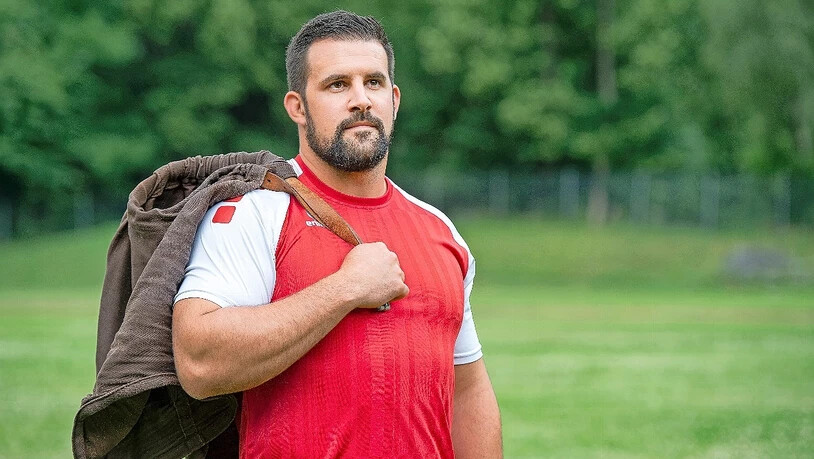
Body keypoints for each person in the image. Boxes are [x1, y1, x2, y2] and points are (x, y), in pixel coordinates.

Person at [172, 10, 502, 458]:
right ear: (298, 108)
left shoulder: (440, 231)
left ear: (395, 99)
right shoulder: (255, 212)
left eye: (374, 82)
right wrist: (344, 290)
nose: (360, 100)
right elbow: (199, 363)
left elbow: (467, 390)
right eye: (336, 85)